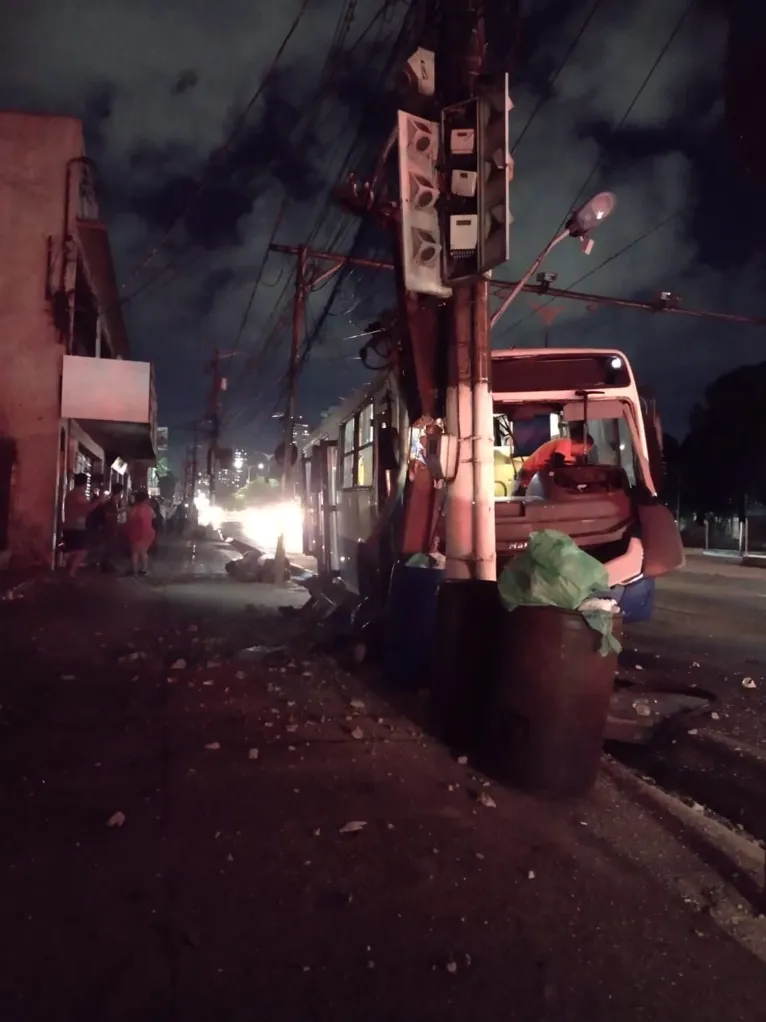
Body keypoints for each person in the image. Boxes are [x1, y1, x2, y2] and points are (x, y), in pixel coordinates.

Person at [514, 422, 594, 495]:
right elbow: (558, 464)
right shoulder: (565, 443)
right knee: (522, 498)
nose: (585, 453)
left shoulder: (573, 458)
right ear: (580, 443)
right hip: (529, 472)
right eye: (586, 449)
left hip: (540, 476)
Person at [62, 473, 91, 576]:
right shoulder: (78, 494)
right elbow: (86, 508)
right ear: (85, 483)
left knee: (75, 550)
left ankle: (69, 570)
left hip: (70, 526)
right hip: (76, 527)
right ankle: (71, 572)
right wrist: (98, 501)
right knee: (82, 551)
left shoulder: (71, 494)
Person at [125, 490, 156, 576]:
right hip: (148, 532)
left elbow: (130, 518)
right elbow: (154, 517)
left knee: (134, 552)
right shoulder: (149, 509)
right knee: (143, 551)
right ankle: (144, 569)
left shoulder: (135, 509)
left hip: (137, 532)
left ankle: (134, 569)